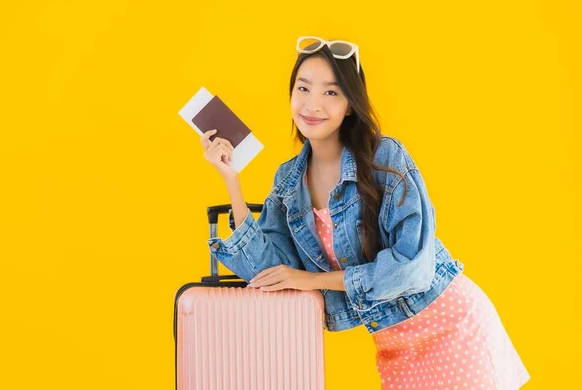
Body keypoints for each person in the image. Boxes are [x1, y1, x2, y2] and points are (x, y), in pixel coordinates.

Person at [199, 36, 530, 389]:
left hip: (452, 325)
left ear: (350, 105)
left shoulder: (385, 159)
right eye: (303, 88)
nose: (312, 105)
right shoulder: (288, 182)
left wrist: (312, 281)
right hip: (396, 349)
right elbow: (272, 275)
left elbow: (410, 270)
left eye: (331, 92)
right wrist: (231, 183)